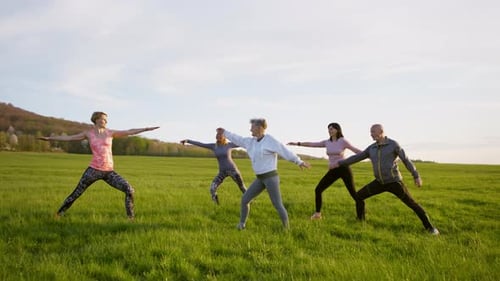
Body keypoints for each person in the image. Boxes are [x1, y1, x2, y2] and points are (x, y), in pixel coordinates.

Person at [38, 111, 159, 220]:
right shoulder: (88, 133)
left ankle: (130, 218)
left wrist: (146, 129)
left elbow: (129, 132)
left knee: (129, 190)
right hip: (93, 170)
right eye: (103, 119)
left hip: (109, 172)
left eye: (106, 119)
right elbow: (69, 138)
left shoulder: (110, 133)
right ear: (96, 119)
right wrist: (50, 138)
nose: (105, 121)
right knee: (76, 193)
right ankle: (59, 214)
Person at [331, 124, 439, 235]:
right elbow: (357, 157)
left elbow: (406, 160)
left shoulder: (393, 145)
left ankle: (430, 228)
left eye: (373, 132)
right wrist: (339, 163)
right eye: (370, 132)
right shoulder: (372, 148)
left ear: (381, 131)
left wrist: (416, 176)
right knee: (358, 196)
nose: (371, 135)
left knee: (411, 203)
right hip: (379, 182)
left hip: (394, 182)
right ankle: (360, 222)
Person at [217, 118, 311, 230]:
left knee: (277, 204)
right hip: (260, 178)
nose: (250, 129)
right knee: (245, 200)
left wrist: (298, 161)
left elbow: (283, 150)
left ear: (260, 127)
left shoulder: (269, 140)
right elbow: (238, 139)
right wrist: (225, 132)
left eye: (252, 127)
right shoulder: (250, 141)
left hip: (271, 177)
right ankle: (241, 225)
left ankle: (287, 229)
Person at [288, 122, 363, 220]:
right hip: (332, 170)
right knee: (318, 189)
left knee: (353, 193)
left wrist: (368, 154)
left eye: (332, 129)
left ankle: (361, 214)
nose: (329, 130)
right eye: (329, 129)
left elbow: (355, 150)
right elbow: (312, 144)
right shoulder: (327, 142)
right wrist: (298, 143)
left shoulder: (342, 141)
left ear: (337, 130)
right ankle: (317, 214)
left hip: (344, 169)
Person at [180, 130, 247, 204]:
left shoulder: (229, 145)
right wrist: (188, 141)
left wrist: (255, 138)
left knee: (242, 187)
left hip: (233, 170)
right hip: (222, 172)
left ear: (224, 137)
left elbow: (242, 142)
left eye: (220, 135)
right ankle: (216, 205)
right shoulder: (213, 146)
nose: (218, 136)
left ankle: (250, 201)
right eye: (217, 135)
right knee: (212, 188)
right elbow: (200, 144)